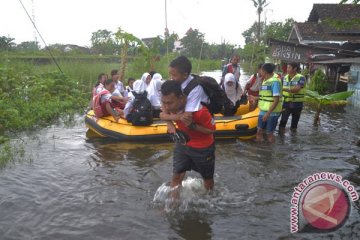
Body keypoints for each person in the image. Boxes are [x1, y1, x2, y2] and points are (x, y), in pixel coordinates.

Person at [160, 80, 216, 191]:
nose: (167, 106)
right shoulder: (168, 104)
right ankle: (172, 207)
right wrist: (171, 122)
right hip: (182, 144)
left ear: (181, 98)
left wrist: (192, 126)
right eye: (164, 102)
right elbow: (162, 115)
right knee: (176, 178)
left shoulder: (200, 111)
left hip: (203, 148)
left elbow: (211, 130)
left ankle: (210, 202)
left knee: (207, 179)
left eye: (170, 103)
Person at [164, 56, 209, 133]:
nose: (171, 78)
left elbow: (187, 116)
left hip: (200, 124)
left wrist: (165, 116)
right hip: (183, 126)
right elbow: (163, 101)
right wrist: (169, 122)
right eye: (170, 74)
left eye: (174, 75)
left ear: (185, 75)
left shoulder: (196, 88)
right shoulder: (175, 82)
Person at [256, 63, 282, 144]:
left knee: (269, 133)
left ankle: (270, 152)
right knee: (259, 131)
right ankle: (260, 149)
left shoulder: (275, 82)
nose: (260, 72)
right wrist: (256, 98)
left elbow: (276, 99)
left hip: (272, 113)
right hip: (263, 111)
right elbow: (266, 96)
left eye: (261, 70)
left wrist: (268, 113)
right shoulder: (265, 80)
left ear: (264, 71)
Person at [279, 62, 306, 133]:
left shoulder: (301, 78)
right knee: (283, 121)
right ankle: (281, 139)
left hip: (297, 104)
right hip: (286, 103)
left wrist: (283, 89)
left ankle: (293, 140)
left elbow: (296, 89)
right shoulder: (283, 78)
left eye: (289, 67)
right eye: (287, 67)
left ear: (295, 69)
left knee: (294, 123)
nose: (287, 69)